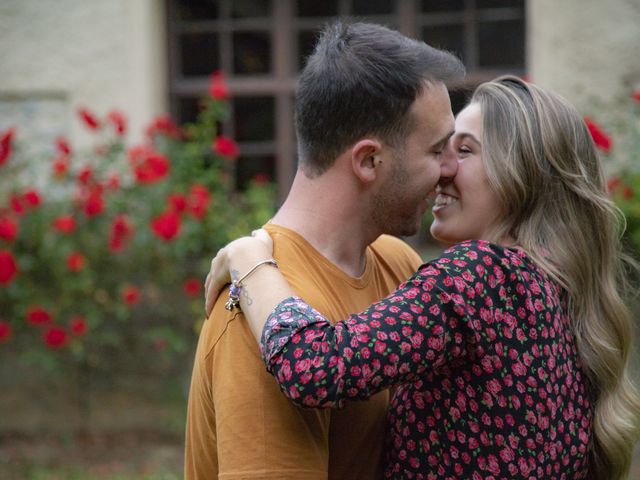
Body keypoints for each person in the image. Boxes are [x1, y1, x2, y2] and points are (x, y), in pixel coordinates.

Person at [204, 76, 640, 479]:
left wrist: (250, 259)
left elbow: (315, 368)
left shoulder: (481, 275)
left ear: (520, 175)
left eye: (464, 151)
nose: (442, 170)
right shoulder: (558, 290)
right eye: (441, 150)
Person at [184, 21, 465, 479]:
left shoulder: (399, 263)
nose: (451, 168)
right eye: (437, 150)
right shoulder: (260, 317)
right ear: (369, 160)